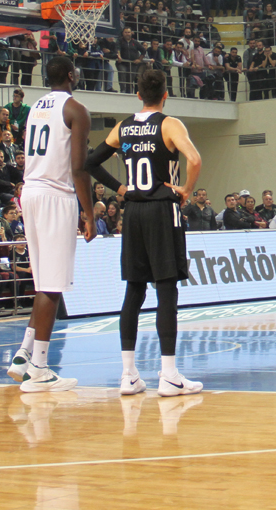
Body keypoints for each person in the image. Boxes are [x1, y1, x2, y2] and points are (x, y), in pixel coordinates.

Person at [94, 69, 203, 397]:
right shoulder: (169, 125)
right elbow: (194, 159)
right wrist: (186, 189)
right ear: (165, 95)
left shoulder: (123, 127)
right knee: (166, 290)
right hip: (161, 210)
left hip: (134, 213)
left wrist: (120, 189)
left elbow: (90, 162)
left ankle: (128, 375)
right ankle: (168, 375)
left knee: (134, 290)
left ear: (138, 95)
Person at [5, 56, 94, 392]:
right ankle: (39, 369)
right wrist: (89, 213)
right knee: (52, 286)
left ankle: (24, 354)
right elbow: (79, 168)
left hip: (29, 192)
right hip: (55, 195)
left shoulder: (34, 108)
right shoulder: (76, 110)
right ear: (71, 75)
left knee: (44, 282)